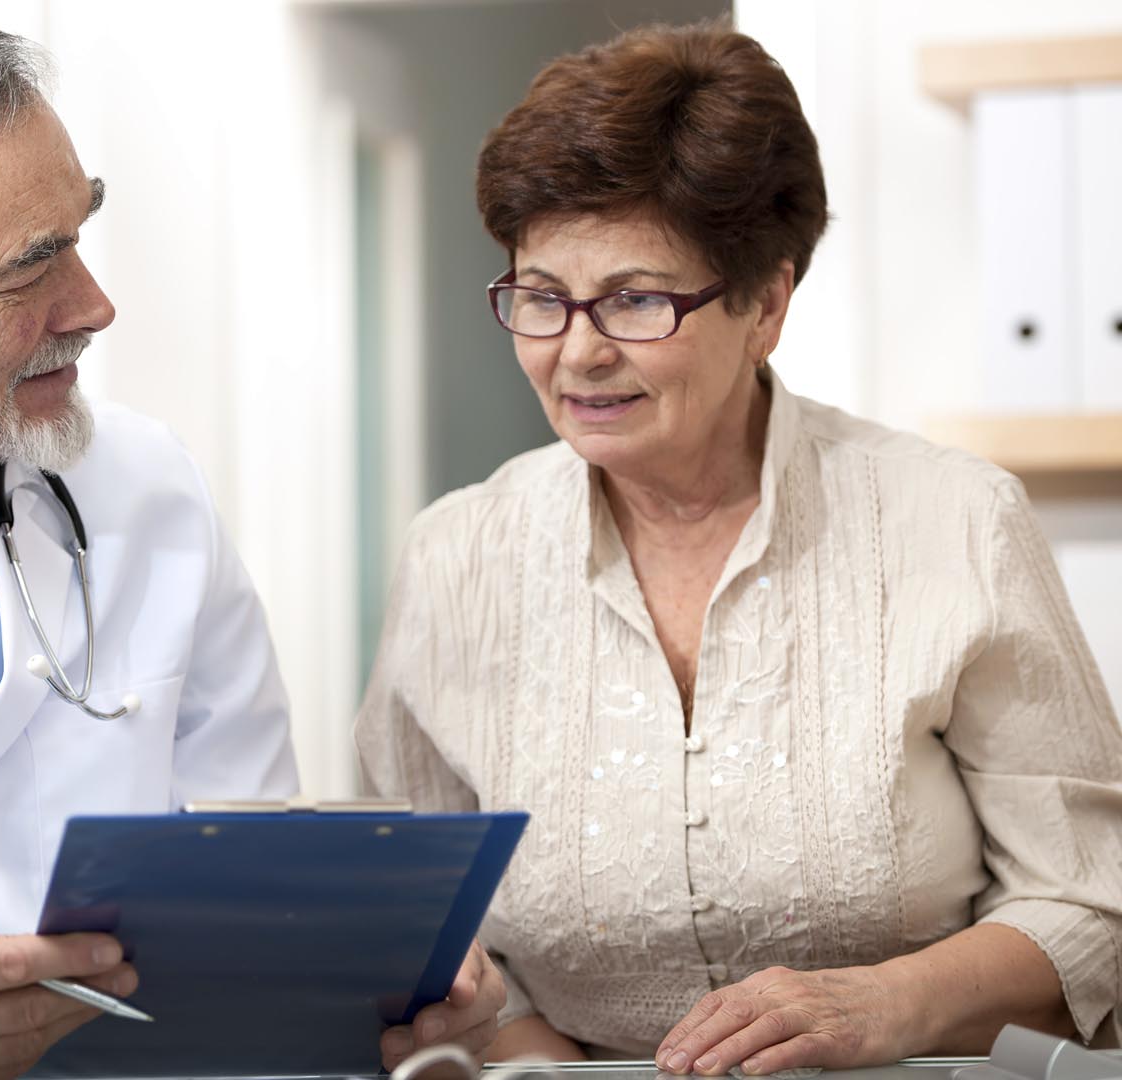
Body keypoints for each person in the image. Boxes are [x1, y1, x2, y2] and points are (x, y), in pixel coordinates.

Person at [0, 8, 501, 1079]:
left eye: (80, 234)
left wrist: (365, 974)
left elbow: (245, 884)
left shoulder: (144, 492)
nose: (96, 304)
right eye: (29, 271)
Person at [355, 19, 1122, 1075]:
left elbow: (1092, 898)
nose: (577, 352)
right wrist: (531, 1053)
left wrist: (889, 1005)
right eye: (541, 297)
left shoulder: (953, 521)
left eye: (633, 298)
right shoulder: (458, 558)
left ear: (766, 301)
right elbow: (423, 921)